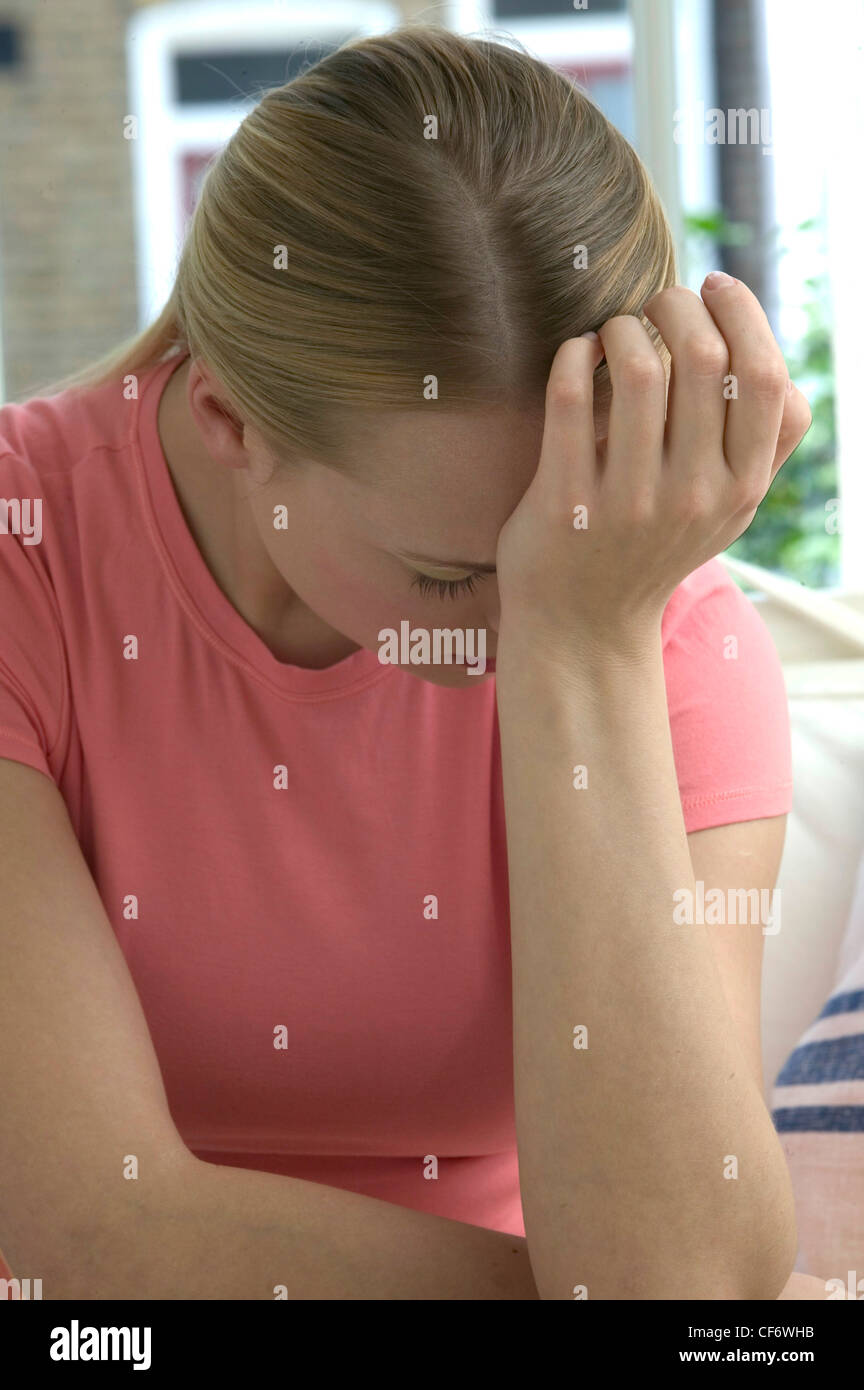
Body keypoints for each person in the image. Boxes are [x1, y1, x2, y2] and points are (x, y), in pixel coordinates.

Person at [0, 25, 814, 1299]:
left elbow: (683, 1282)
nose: (514, 622)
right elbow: (89, 1236)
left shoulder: (646, 615)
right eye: (453, 576)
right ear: (230, 424)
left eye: (553, 546)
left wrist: (587, 649)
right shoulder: (26, 554)